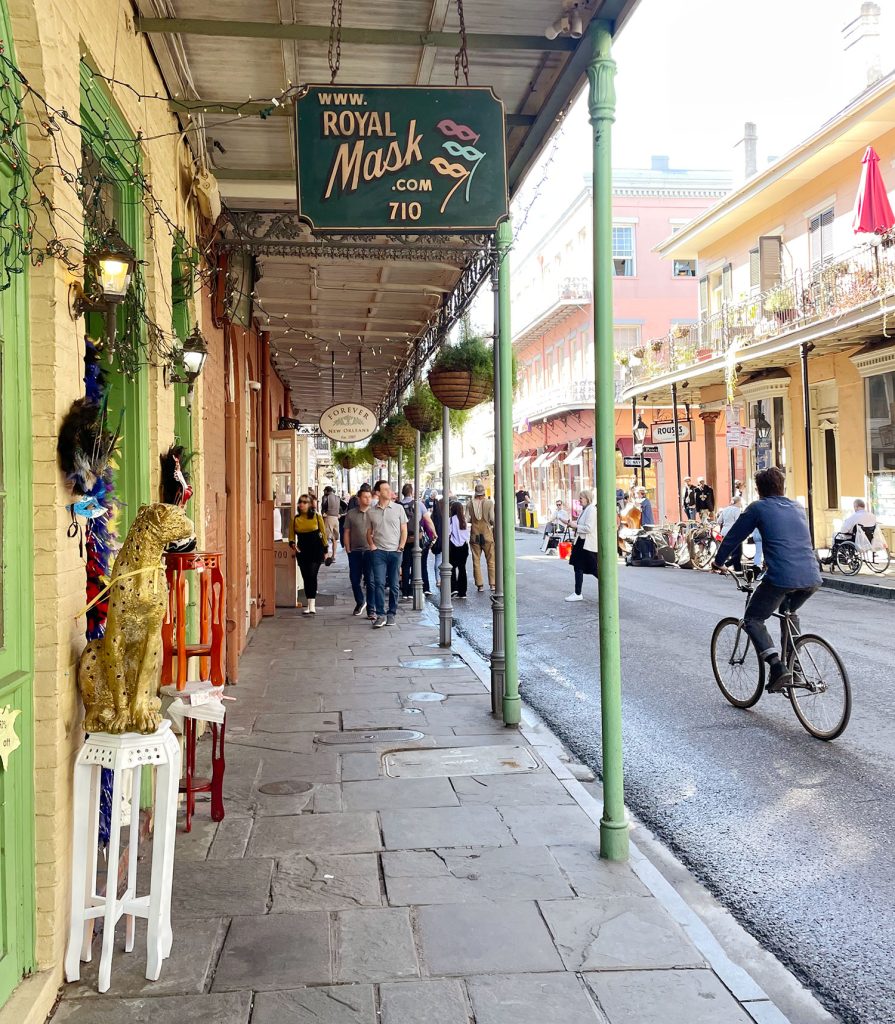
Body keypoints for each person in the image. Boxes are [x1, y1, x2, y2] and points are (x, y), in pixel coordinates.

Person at [712, 467, 822, 692]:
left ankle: (778, 666)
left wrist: (718, 561)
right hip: (811, 576)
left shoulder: (758, 508)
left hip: (782, 576)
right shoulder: (797, 507)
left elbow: (735, 536)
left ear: (758, 489)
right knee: (788, 613)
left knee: (753, 619)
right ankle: (796, 667)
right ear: (783, 487)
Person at [366, 480, 407, 628]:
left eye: (389, 489)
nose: (389, 492)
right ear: (378, 493)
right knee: (379, 583)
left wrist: (401, 547)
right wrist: (372, 545)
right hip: (379, 553)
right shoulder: (371, 511)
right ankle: (380, 615)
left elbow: (404, 530)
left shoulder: (398, 509)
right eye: (385, 489)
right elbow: (369, 532)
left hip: (395, 552)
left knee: (395, 585)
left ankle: (391, 614)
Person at [288, 494, 328, 616]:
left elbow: (323, 533)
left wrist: (326, 550)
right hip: (302, 550)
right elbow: (291, 536)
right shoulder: (295, 519)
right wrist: (293, 544)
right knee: (306, 576)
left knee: (312, 574)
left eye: (305, 502)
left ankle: (312, 604)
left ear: (310, 504)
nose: (302, 504)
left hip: (316, 550)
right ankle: (308, 603)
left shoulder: (317, 517)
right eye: (300, 502)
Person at [343, 484, 374, 619]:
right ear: (359, 499)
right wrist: (347, 547)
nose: (368, 499)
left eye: (369, 497)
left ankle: (371, 609)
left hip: (370, 551)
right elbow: (347, 531)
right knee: (355, 580)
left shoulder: (375, 512)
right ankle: (360, 602)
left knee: (371, 580)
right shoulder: (351, 514)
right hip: (355, 551)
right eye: (365, 497)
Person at [400, 483, 435, 598]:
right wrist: (434, 533)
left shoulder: (398, 505)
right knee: (416, 563)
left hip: (403, 539)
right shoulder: (418, 504)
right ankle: (413, 590)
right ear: (412, 492)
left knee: (405, 564)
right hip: (416, 538)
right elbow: (428, 520)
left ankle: (405, 591)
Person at [565, 489, 598, 602]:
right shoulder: (585, 510)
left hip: (586, 543)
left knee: (593, 568)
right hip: (580, 542)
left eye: (581, 498)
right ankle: (577, 592)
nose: (579, 500)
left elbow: (589, 528)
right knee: (578, 567)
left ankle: (608, 585)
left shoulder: (591, 510)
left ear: (587, 498)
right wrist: (572, 524)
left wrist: (575, 526)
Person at [467, 482, 496, 592]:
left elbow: (466, 519)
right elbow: (492, 519)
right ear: (483, 493)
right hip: (487, 534)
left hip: (475, 535)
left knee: (476, 560)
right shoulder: (489, 503)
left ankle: (480, 585)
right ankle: (492, 584)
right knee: (491, 560)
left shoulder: (470, 504)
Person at [448, 499, 470, 599]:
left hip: (454, 546)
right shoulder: (463, 520)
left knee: (452, 568)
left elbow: (448, 533)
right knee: (462, 568)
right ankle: (463, 591)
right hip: (464, 547)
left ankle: (454, 588)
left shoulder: (451, 520)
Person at [716, 494, 744, 571]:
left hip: (724, 532)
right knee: (738, 553)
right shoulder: (737, 510)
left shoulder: (725, 509)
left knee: (732, 552)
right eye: (740, 502)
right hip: (733, 532)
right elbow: (738, 522)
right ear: (738, 502)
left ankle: (737, 569)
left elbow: (719, 521)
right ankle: (722, 565)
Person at [320, 486, 341, 564]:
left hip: (328, 518)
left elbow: (324, 506)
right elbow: (345, 506)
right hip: (336, 519)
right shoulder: (337, 497)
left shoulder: (326, 496)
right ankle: (333, 556)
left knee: (325, 538)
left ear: (326, 491)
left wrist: (323, 513)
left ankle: (326, 557)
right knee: (334, 539)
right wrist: (340, 514)